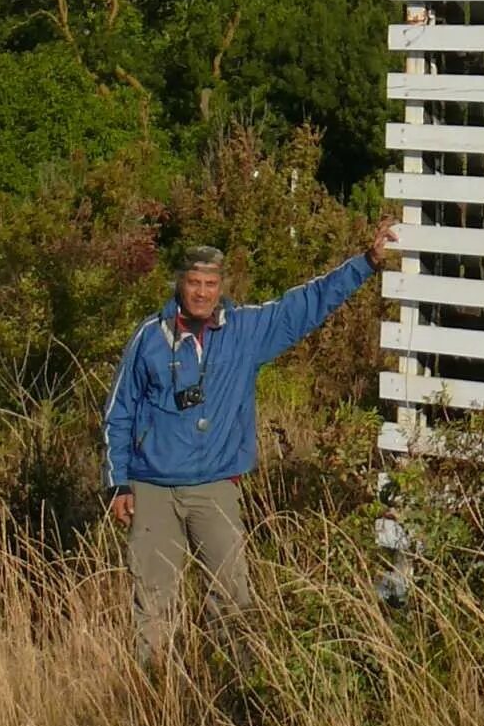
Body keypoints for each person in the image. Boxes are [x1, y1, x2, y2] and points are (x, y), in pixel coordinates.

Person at [102, 220, 399, 664]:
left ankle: (235, 689)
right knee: (152, 601)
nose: (202, 293)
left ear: (222, 286)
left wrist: (368, 262)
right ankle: (153, 690)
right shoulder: (149, 337)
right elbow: (119, 411)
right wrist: (118, 483)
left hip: (215, 486)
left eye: (211, 284)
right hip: (152, 489)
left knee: (232, 599)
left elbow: (305, 304)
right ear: (179, 283)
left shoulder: (245, 330)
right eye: (194, 283)